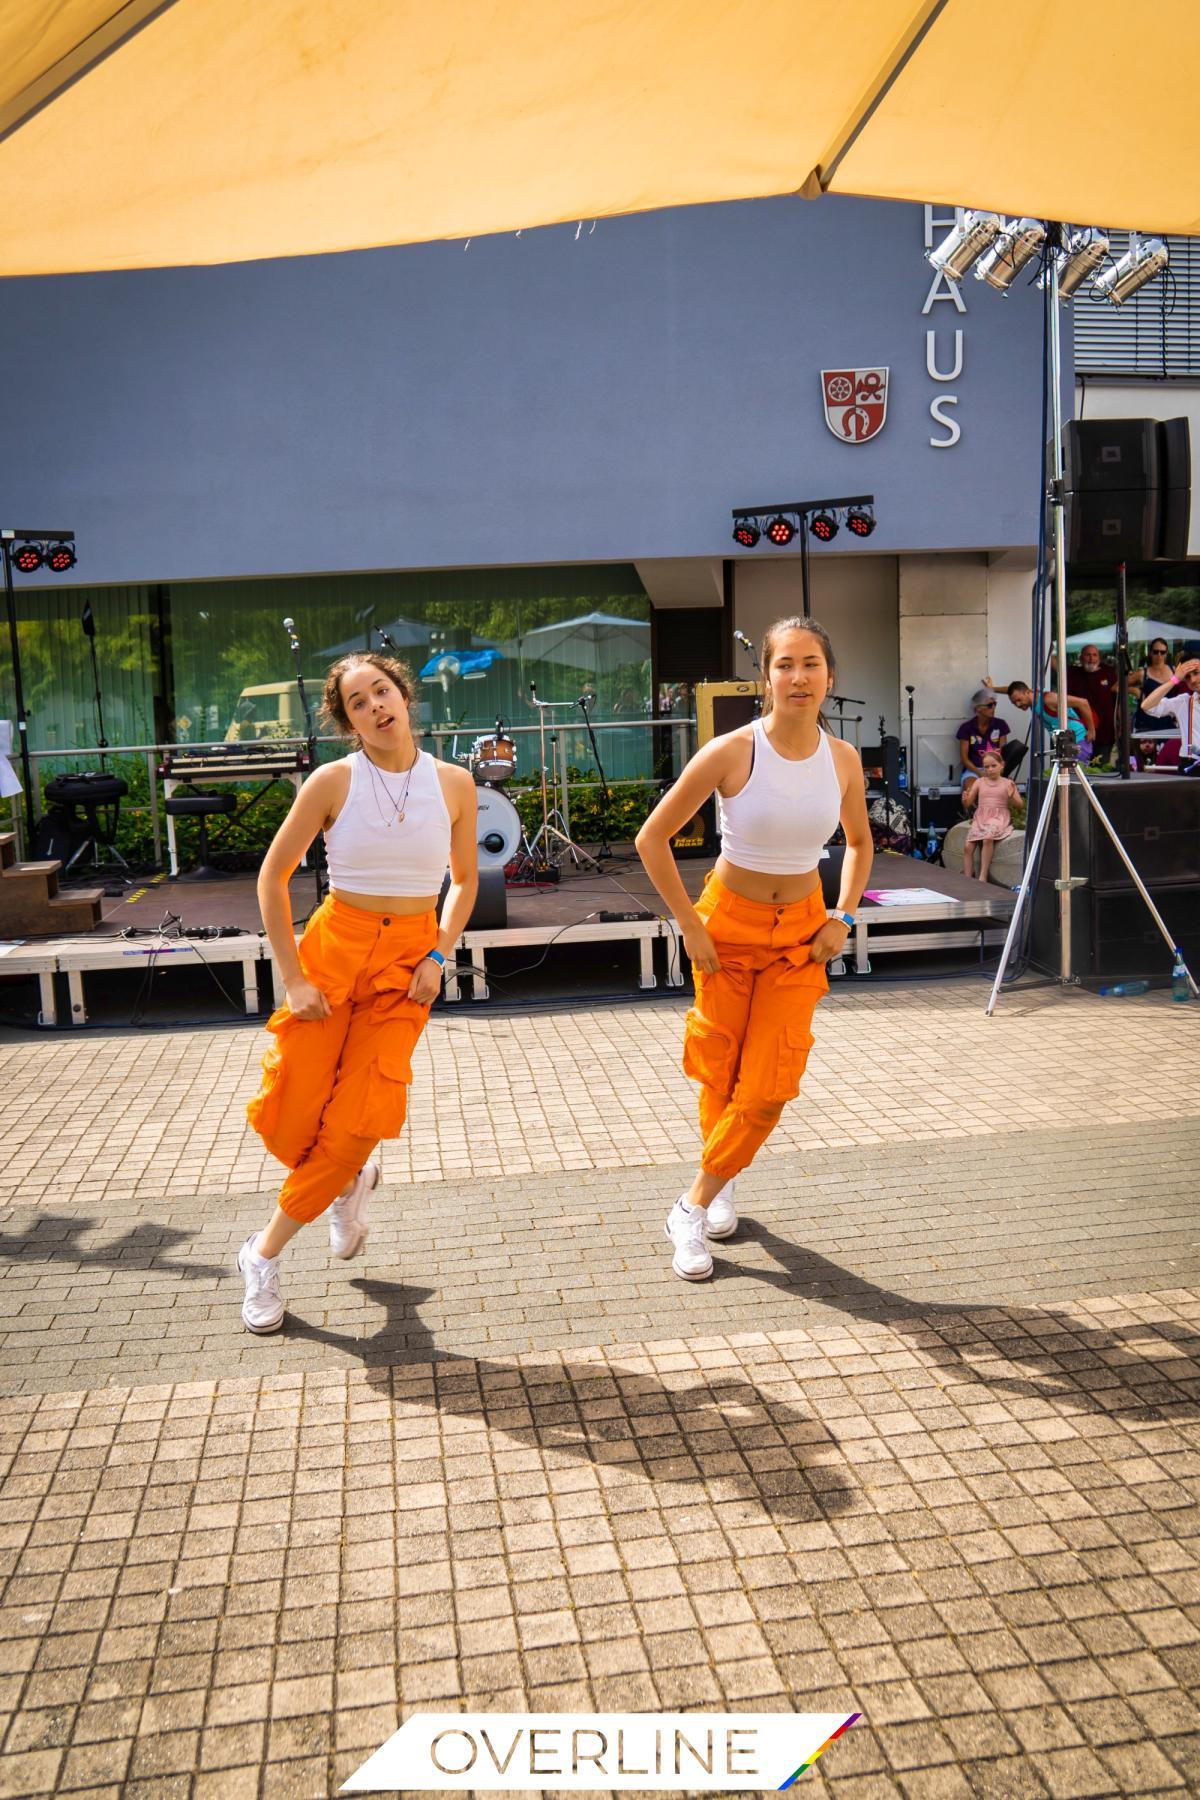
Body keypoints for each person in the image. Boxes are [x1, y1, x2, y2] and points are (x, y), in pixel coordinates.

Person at [238, 652, 478, 1334]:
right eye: (358, 702)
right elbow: (272, 877)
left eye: (382, 691)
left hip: (407, 966)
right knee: (292, 1117)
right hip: (333, 952)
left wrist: (439, 953)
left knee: (358, 1121)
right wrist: (294, 977)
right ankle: (347, 1182)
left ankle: (261, 1254)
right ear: (347, 722)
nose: (376, 706)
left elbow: (464, 880)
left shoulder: (455, 783)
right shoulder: (332, 781)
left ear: (404, 695)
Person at [635, 617, 873, 1281]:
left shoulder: (843, 760)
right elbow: (652, 839)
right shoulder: (732, 750)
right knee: (721, 1071)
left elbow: (860, 843)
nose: (798, 677)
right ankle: (722, 1183)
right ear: (765, 677)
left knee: (769, 1086)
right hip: (727, 927)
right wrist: (690, 924)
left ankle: (690, 1205)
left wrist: (843, 916)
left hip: (800, 935)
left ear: (830, 675)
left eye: (811, 664)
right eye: (784, 664)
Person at [985, 675, 1097, 763]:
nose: (1018, 704)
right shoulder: (1030, 696)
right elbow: (1011, 690)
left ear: (1027, 692)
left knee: (1075, 779)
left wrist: (1091, 730)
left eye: (1019, 700)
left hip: (1078, 740)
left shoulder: (1048, 699)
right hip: (1064, 742)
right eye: (1014, 703)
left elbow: (1083, 703)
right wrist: (993, 689)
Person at [962, 749, 1018, 882]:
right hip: (981, 817)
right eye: (986, 767)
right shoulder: (979, 782)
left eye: (993, 766)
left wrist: (1011, 796)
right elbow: (968, 803)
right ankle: (967, 877)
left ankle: (983, 876)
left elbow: (1019, 804)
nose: (990, 769)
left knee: (987, 838)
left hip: (998, 816)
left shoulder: (1007, 783)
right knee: (968, 846)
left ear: (1002, 765)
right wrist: (965, 799)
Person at [1142, 656, 1200, 773]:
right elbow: (1147, 706)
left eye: (1196, 673)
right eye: (1187, 677)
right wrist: (1174, 679)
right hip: (1191, 765)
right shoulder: (1184, 702)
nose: (1193, 680)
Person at [1063, 644, 1119, 762]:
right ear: (1081, 658)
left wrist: (1121, 725)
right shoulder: (1072, 673)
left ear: (1099, 658)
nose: (1091, 658)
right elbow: (1054, 663)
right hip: (1079, 734)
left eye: (1094, 655)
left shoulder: (1108, 673)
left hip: (1104, 733)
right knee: (1079, 767)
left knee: (1101, 768)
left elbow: (1118, 700)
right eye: (1087, 655)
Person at [956, 689, 1012, 784]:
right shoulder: (966, 728)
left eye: (995, 704)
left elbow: (1003, 753)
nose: (993, 707)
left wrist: (998, 771)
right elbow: (964, 759)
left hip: (995, 768)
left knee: (1010, 787)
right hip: (974, 770)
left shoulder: (1000, 724)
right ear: (978, 708)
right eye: (990, 705)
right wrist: (980, 773)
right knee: (971, 788)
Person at [1131, 638, 1177, 734]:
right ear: (1150, 653)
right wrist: (1136, 691)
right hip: (1147, 724)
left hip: (1169, 724)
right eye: (1156, 652)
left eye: (1162, 652)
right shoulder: (1142, 673)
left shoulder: (1175, 671)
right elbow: (1116, 687)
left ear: (1166, 654)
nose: (1159, 655)